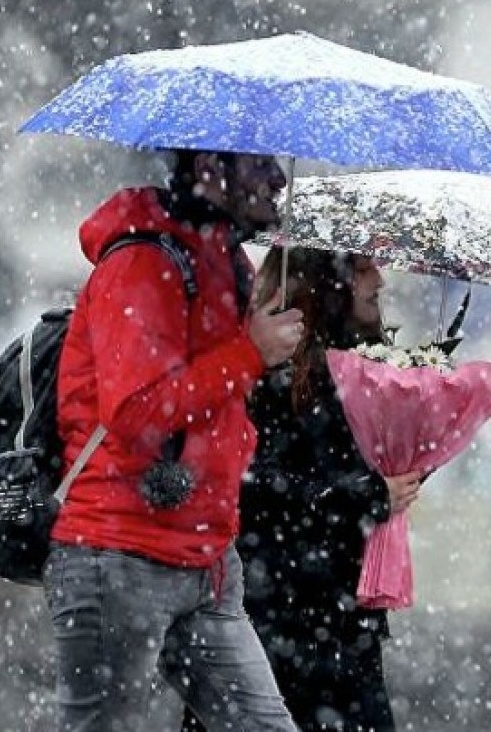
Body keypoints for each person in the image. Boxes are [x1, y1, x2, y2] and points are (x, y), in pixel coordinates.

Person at [46, 149, 305, 731]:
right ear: (212, 165)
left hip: (207, 560)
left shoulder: (224, 259)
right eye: (260, 163)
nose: (277, 178)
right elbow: (138, 411)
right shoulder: (141, 260)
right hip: (118, 555)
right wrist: (249, 354)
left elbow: (219, 400)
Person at [185, 246, 421, 732]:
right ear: (326, 281)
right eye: (362, 267)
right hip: (274, 609)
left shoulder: (363, 367)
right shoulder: (268, 368)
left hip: (338, 612)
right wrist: (366, 495)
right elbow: (253, 483)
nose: (378, 278)